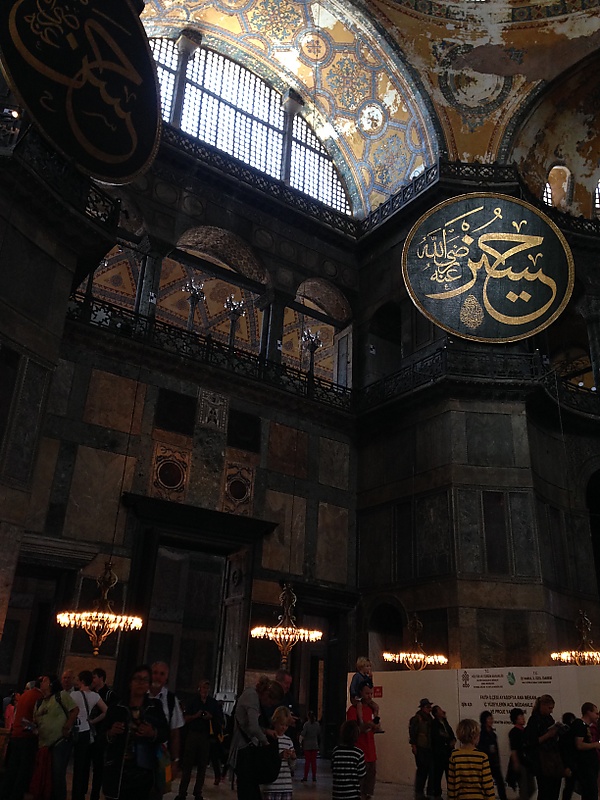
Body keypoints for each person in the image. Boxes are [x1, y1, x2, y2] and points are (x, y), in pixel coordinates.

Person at [102, 664, 169, 800]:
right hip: (119, 771)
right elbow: (101, 737)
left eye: (145, 680)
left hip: (145, 774)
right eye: (137, 679)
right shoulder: (117, 707)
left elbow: (165, 733)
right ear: (130, 682)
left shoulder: (155, 708)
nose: (141, 683)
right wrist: (111, 733)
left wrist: (152, 732)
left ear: (149, 685)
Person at [229, 676, 283, 800]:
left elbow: (250, 725)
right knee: (248, 791)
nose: (269, 705)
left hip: (246, 748)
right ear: (267, 695)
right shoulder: (252, 696)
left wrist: (266, 731)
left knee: (250, 789)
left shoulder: (252, 695)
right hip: (243, 749)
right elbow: (253, 727)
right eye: (271, 702)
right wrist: (265, 742)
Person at [33, 673, 79, 800]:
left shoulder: (61, 696)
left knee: (57, 774)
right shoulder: (39, 702)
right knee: (45, 774)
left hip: (59, 741)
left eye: (45, 680)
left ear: (51, 683)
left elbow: (75, 710)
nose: (41, 682)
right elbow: (36, 719)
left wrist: (67, 726)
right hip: (44, 743)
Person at [177, 679, 224, 800]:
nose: (205, 690)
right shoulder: (193, 701)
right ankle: (182, 792)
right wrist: (195, 716)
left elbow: (219, 719)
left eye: (207, 688)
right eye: (203, 688)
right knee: (187, 764)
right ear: (199, 689)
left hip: (205, 736)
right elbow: (185, 718)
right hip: (193, 734)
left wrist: (210, 717)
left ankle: (198, 792)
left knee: (202, 766)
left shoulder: (212, 703)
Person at [0, 679, 42, 800]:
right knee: (23, 771)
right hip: (26, 737)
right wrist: (37, 730)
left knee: (12, 769)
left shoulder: (23, 697)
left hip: (15, 736)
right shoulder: (37, 697)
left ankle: (5, 793)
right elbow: (29, 720)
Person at [70, 670, 107, 800]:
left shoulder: (74, 694)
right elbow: (106, 711)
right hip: (86, 731)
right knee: (82, 765)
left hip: (74, 730)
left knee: (75, 764)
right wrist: (92, 721)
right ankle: (79, 795)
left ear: (81, 681)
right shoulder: (95, 696)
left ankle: (76, 794)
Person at [149, 661, 185, 781]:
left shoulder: (171, 700)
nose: (157, 677)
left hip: (161, 754)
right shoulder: (140, 694)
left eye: (162, 674)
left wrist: (175, 761)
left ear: (166, 678)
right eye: (155, 673)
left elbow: (175, 732)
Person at [525, 694, 564, 800]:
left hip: (552, 757)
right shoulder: (534, 720)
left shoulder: (549, 718)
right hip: (541, 759)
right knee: (545, 790)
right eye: (549, 708)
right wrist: (548, 735)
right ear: (542, 705)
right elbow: (532, 742)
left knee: (554, 789)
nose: (551, 711)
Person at [447, 718, 495, 800]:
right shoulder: (482, 757)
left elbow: (452, 784)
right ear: (474, 736)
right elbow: (488, 785)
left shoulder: (454, 755)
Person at [89, 668, 118, 800]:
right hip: (90, 733)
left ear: (101, 678)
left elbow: (110, 713)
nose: (92, 680)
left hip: (101, 734)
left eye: (94, 677)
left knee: (99, 767)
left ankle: (95, 794)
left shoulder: (109, 695)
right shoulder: (90, 692)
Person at [346, 682, 378, 800]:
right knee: (358, 788)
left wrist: (375, 726)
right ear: (360, 693)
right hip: (359, 752)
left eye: (371, 693)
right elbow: (352, 731)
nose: (369, 696)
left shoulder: (371, 709)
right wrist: (365, 726)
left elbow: (373, 729)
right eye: (367, 693)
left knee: (368, 790)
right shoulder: (353, 710)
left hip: (371, 753)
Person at [261, 706, 296, 800]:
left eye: (286, 725)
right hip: (271, 787)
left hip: (286, 786)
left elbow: (292, 767)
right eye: (281, 724)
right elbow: (265, 762)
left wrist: (293, 758)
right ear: (275, 722)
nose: (284, 728)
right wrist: (279, 756)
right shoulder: (267, 739)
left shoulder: (288, 741)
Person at [571, 702, 600, 800]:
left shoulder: (586, 726)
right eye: (596, 713)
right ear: (588, 712)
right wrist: (595, 745)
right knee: (590, 792)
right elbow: (579, 745)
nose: (597, 716)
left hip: (591, 765)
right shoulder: (579, 725)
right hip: (585, 766)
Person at [332, 720, 367, 800]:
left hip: (337, 794)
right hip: (352, 795)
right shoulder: (358, 753)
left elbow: (334, 770)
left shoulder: (336, 751)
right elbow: (361, 776)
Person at [506, 707, 535, 800]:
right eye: (520, 716)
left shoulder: (525, 731)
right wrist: (516, 763)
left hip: (528, 762)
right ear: (516, 719)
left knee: (531, 788)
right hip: (520, 762)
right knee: (524, 789)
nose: (523, 718)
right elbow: (514, 749)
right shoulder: (514, 732)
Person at [477, 711, 507, 800]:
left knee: (500, 783)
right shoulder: (481, 734)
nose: (491, 720)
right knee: (485, 784)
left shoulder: (493, 734)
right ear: (484, 720)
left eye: (491, 718)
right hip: (486, 762)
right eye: (489, 718)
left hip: (494, 762)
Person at [409, 698, 434, 800]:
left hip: (428, 748)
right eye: (428, 707)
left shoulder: (429, 718)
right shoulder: (417, 718)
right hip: (420, 748)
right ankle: (419, 793)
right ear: (423, 708)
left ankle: (423, 792)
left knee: (427, 770)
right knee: (422, 770)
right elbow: (412, 733)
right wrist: (414, 746)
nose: (430, 709)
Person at [430, 705, 455, 798]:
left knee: (450, 774)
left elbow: (450, 733)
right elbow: (437, 736)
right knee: (438, 774)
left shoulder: (445, 722)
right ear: (436, 713)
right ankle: (437, 794)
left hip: (448, 752)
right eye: (440, 710)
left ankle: (451, 792)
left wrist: (453, 740)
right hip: (439, 753)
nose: (442, 711)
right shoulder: (434, 724)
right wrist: (447, 739)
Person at [300, 710, 321, 782]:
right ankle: (314, 776)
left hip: (307, 745)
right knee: (314, 762)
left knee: (307, 762)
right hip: (314, 744)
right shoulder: (317, 724)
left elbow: (303, 733)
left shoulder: (306, 724)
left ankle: (305, 776)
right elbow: (318, 733)